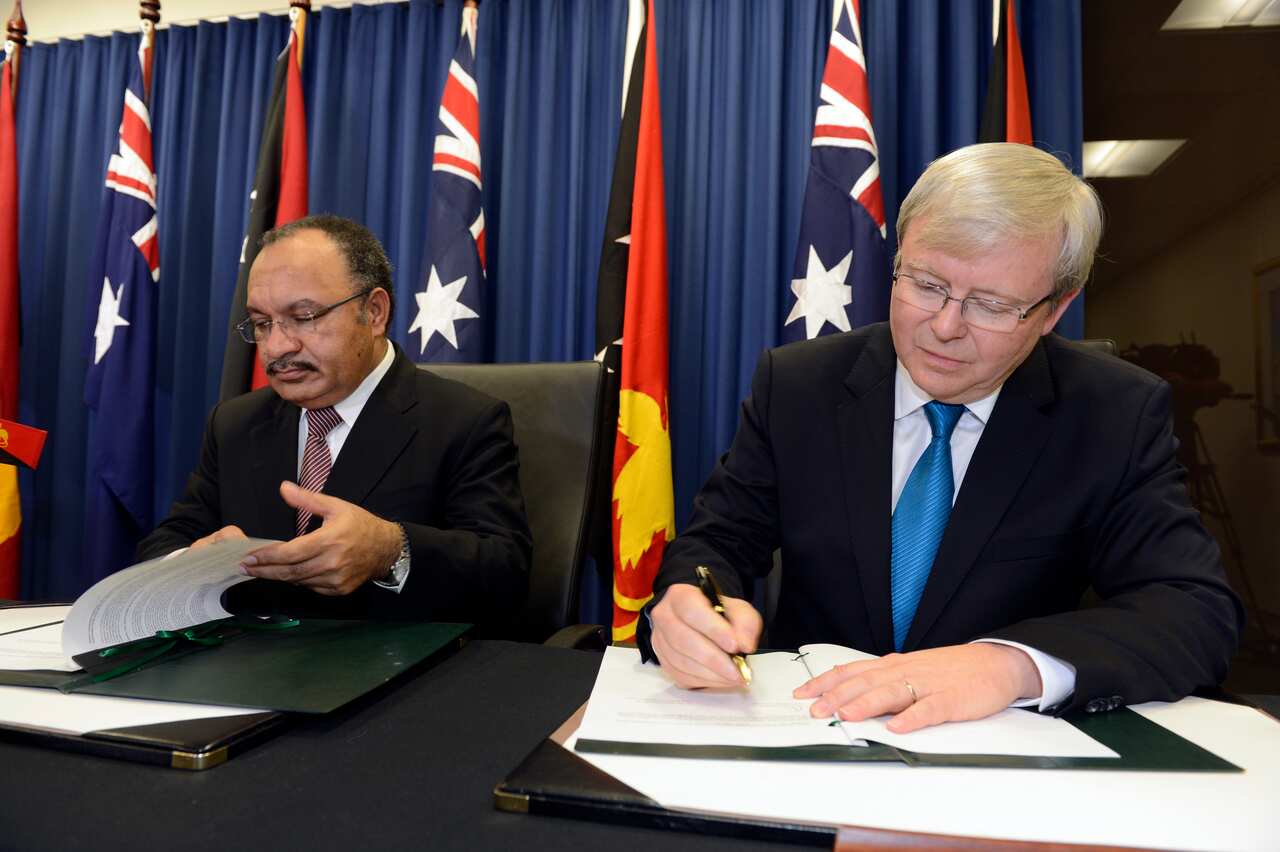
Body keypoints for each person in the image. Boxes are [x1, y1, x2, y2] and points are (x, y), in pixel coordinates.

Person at [639, 143, 1242, 733]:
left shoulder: (1113, 414)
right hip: (813, 732)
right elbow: (715, 544)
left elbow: (1194, 611)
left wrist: (1010, 665)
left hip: (1001, 760)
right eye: (926, 285)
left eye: (991, 304)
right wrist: (689, 606)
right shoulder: (799, 387)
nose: (946, 327)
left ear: (1054, 310)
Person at [137, 215, 531, 625]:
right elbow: (167, 540)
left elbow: (505, 574)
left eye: (304, 317)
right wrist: (194, 562)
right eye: (261, 323)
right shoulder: (235, 423)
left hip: (396, 672)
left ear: (374, 313)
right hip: (248, 668)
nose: (277, 346)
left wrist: (391, 551)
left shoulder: (464, 420)